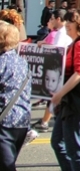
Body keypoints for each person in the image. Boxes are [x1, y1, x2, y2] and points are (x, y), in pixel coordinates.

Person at [49, 8, 80, 171]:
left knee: (74, 148)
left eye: (72, 22)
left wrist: (60, 93)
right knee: (58, 143)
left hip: (76, 102)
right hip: (69, 102)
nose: (68, 25)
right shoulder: (75, 44)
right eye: (67, 21)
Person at [33, 8, 74, 132]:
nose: (49, 21)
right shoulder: (61, 32)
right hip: (60, 69)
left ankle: (46, 122)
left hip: (60, 69)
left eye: (52, 18)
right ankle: (51, 121)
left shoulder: (62, 33)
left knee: (53, 96)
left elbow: (57, 50)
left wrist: (44, 44)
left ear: (58, 19)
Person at [0, 21, 31, 171]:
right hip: (21, 119)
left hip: (3, 121)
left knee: (6, 166)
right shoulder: (22, 62)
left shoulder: (2, 62)